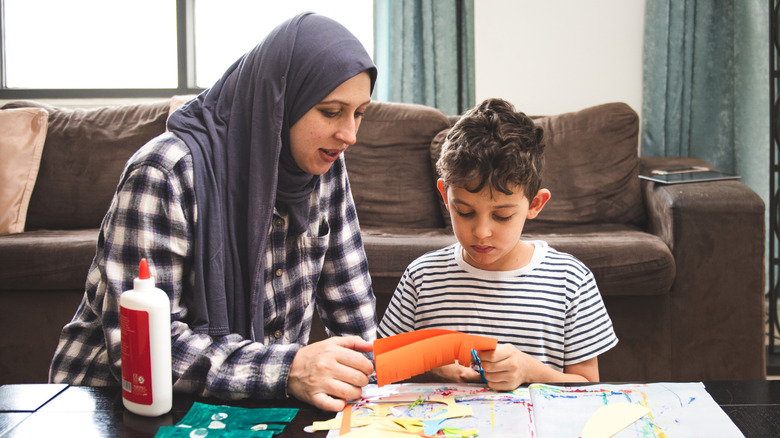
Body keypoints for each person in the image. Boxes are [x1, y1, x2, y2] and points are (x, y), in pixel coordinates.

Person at [50, 12, 377, 412]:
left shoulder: (325, 167)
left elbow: (352, 308)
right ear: (281, 99)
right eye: (331, 111)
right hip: (112, 405)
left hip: (251, 403)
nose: (350, 135)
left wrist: (383, 370)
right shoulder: (165, 171)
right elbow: (143, 351)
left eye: (359, 113)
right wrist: (289, 369)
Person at [377, 98, 618, 390]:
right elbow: (382, 368)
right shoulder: (422, 277)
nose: (481, 232)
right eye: (464, 212)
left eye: (502, 216)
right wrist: (432, 367)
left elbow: (588, 387)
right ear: (445, 196)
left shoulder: (570, 280)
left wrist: (530, 371)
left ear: (535, 204)